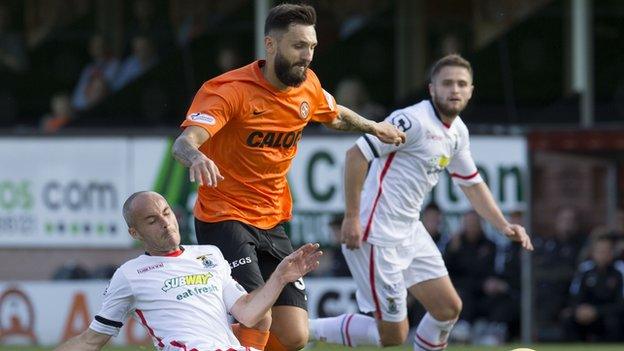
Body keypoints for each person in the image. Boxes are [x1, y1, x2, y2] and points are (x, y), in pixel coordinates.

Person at [171, 4, 405, 351]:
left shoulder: (306, 85)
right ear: (270, 45)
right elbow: (184, 142)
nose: (307, 55)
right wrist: (196, 156)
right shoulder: (229, 90)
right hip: (225, 216)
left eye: (311, 46)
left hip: (273, 220)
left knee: (294, 335)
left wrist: (373, 127)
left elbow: (334, 114)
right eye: (298, 46)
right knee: (256, 316)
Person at [308, 54, 533, 350]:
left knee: (447, 309)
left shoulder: (457, 132)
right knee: (392, 335)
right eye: (447, 83)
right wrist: (351, 217)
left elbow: (472, 183)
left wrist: (504, 225)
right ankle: (303, 329)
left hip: (410, 232)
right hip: (376, 234)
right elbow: (356, 155)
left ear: (471, 91)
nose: (455, 89)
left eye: (461, 84)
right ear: (431, 89)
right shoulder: (411, 121)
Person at [54, 191, 322, 351]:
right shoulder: (130, 274)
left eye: (167, 213)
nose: (165, 223)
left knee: (266, 322)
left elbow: (249, 314)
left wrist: (280, 277)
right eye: (152, 220)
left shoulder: (209, 254)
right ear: (134, 233)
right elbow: (92, 340)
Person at [562, 235, 623, 342]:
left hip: (606, 314)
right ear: (593, 252)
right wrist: (579, 310)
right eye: (600, 251)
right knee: (567, 318)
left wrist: (597, 311)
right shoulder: (585, 270)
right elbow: (575, 296)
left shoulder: (619, 271)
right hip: (586, 313)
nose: (602, 255)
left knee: (614, 321)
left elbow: (620, 304)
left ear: (611, 253)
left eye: (605, 251)